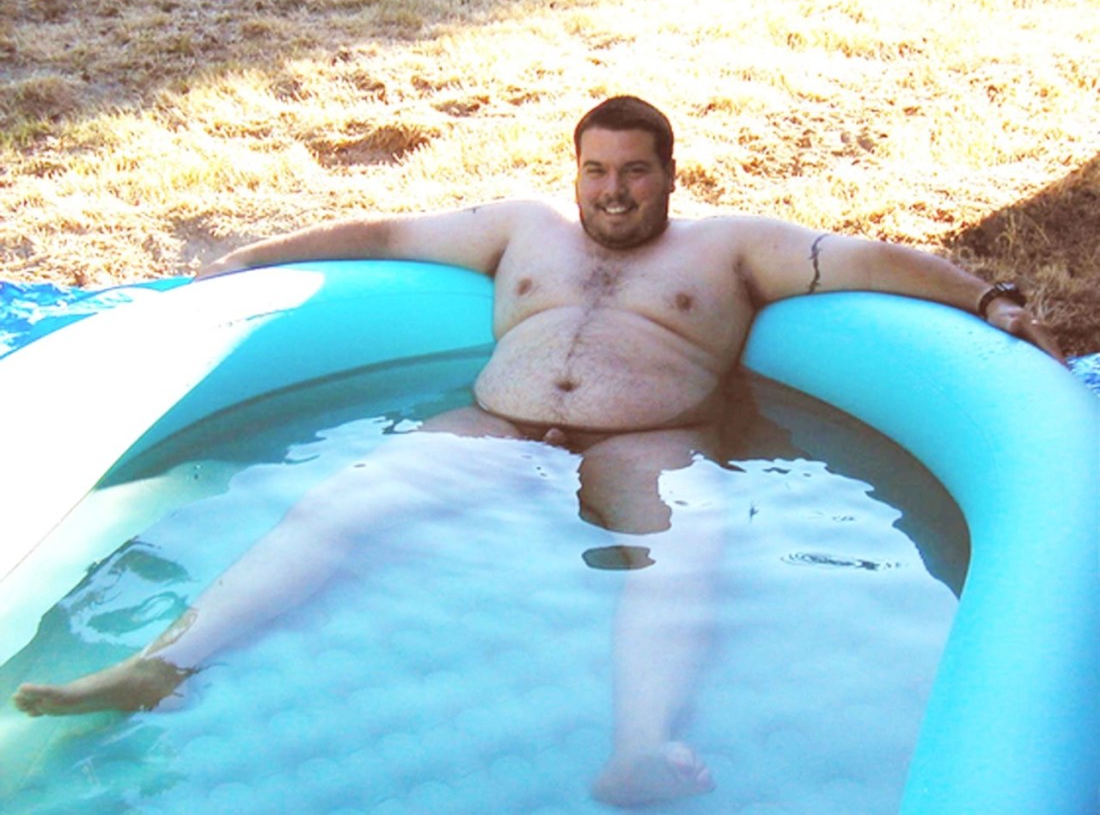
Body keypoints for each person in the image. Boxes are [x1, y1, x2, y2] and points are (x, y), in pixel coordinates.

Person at [12, 96, 1064, 806]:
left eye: (635, 173)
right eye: (595, 171)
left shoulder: (732, 247)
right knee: (339, 508)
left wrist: (987, 300)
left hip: (651, 444)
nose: (613, 192)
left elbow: (868, 260)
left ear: (669, 175)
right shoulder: (521, 229)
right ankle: (165, 663)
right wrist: (247, 261)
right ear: (576, 171)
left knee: (676, 551)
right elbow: (381, 235)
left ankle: (638, 748)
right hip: (494, 430)